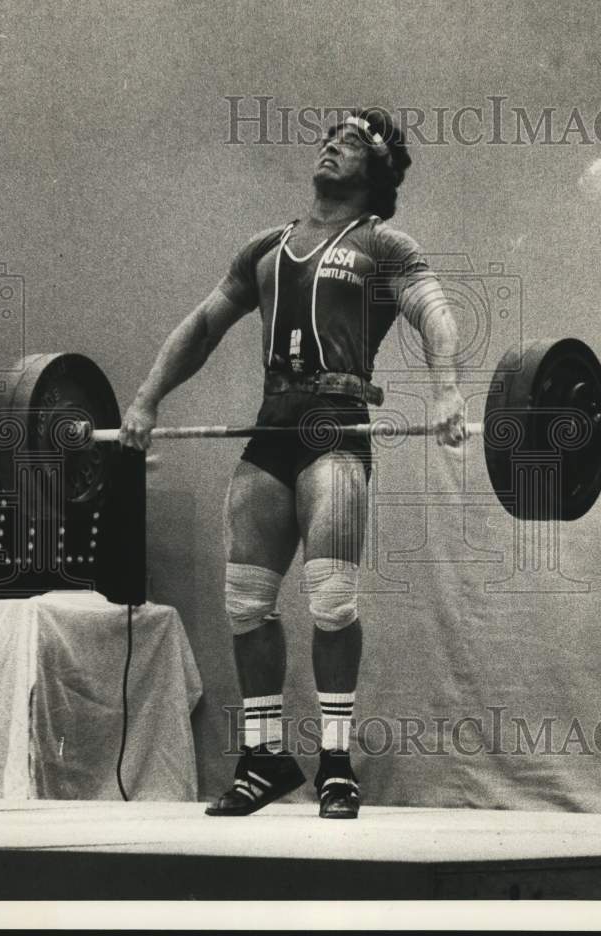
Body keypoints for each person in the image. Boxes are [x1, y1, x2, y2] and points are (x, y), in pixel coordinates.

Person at [119, 108, 464, 818]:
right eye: (330, 132)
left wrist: (449, 385)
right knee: (244, 603)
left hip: (334, 434)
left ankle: (336, 765)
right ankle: (263, 759)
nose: (333, 141)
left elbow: (433, 311)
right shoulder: (266, 248)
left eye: (354, 139)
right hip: (271, 435)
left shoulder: (383, 244)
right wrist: (147, 398)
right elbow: (201, 328)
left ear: (379, 172)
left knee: (332, 600)